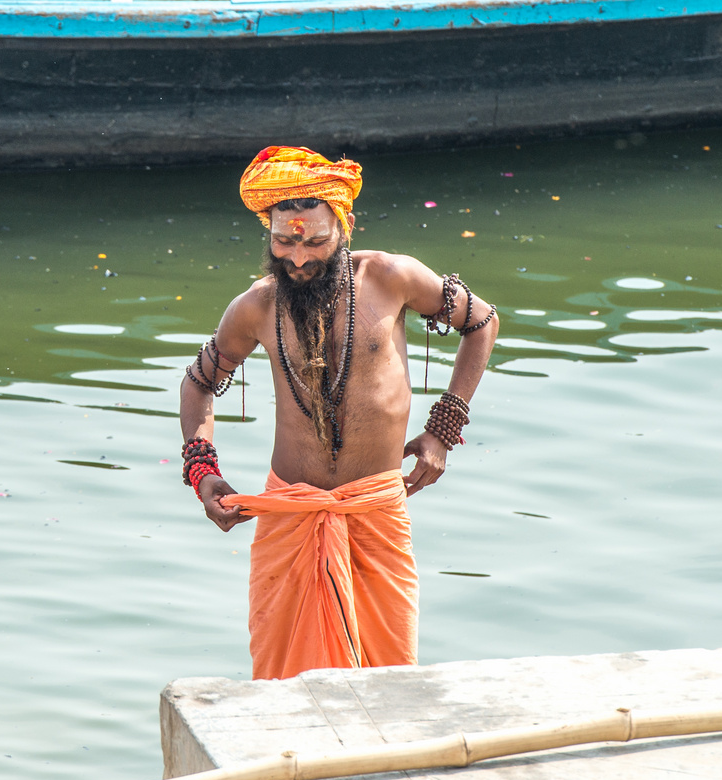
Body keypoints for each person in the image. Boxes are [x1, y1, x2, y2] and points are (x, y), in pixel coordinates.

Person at [178, 146, 499, 680]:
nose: (298, 259)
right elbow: (197, 386)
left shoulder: (391, 277)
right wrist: (202, 472)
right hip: (289, 514)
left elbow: (482, 321)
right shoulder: (254, 307)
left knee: (391, 678)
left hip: (375, 511)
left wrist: (444, 427)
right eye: (284, 241)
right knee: (282, 686)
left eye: (315, 242)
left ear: (343, 227)